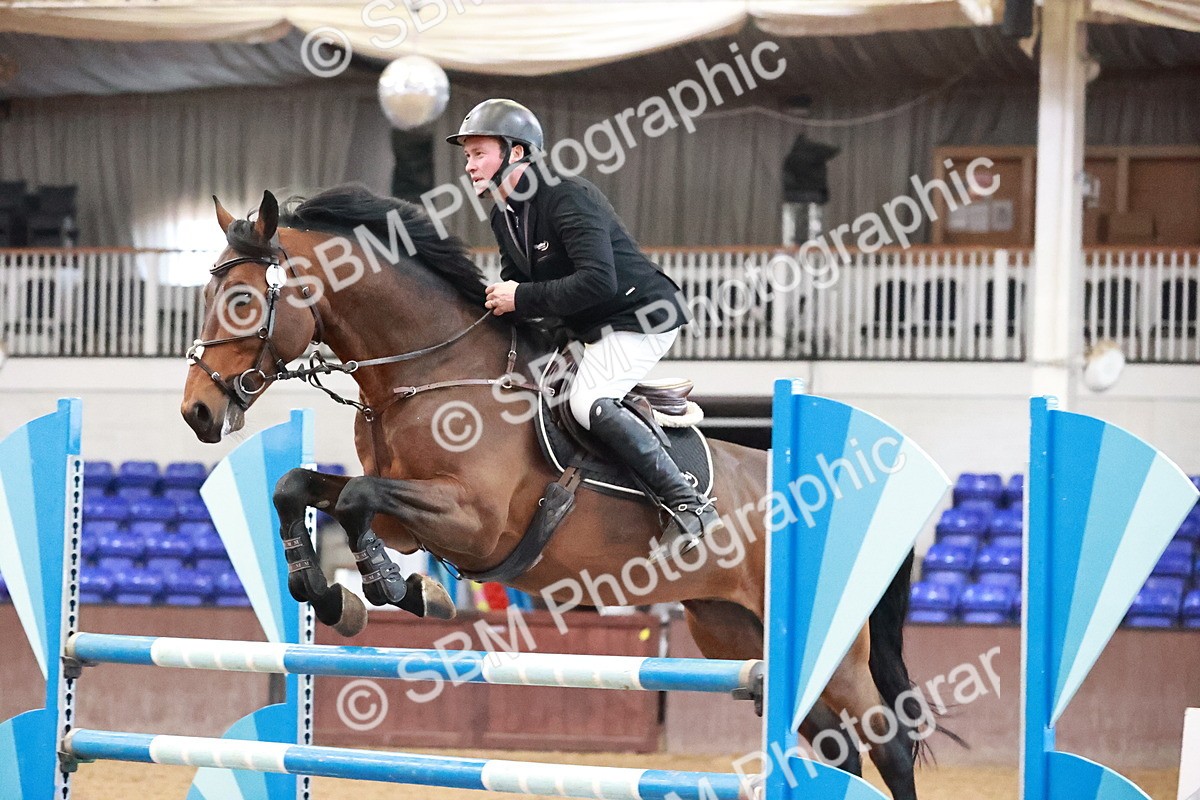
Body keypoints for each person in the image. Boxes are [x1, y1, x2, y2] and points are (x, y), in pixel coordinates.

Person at [447, 98, 723, 560]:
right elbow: (523, 286)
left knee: (586, 401)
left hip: (641, 317)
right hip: (587, 328)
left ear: (515, 153)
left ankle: (690, 504)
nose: (470, 166)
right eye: (468, 157)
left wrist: (521, 297)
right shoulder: (503, 213)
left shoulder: (566, 195)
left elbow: (597, 281)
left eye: (479, 154)